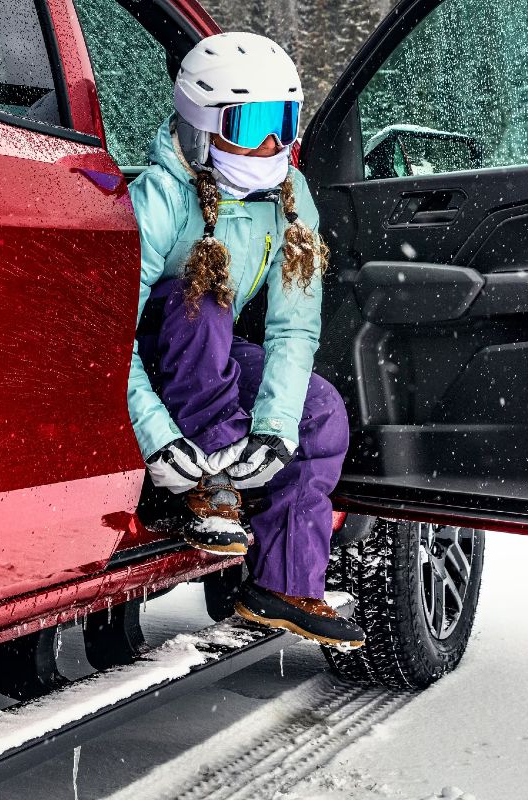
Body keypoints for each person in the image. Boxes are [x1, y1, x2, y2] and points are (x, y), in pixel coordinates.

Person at [126, 32, 365, 650]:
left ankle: (282, 584)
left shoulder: (291, 199)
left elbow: (294, 324)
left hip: (210, 343)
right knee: (202, 298)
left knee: (320, 411)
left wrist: (276, 425)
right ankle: (213, 482)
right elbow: (112, 332)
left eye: (283, 123)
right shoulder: (160, 199)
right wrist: (157, 433)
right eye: (251, 124)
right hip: (150, 351)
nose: (270, 146)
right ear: (205, 128)